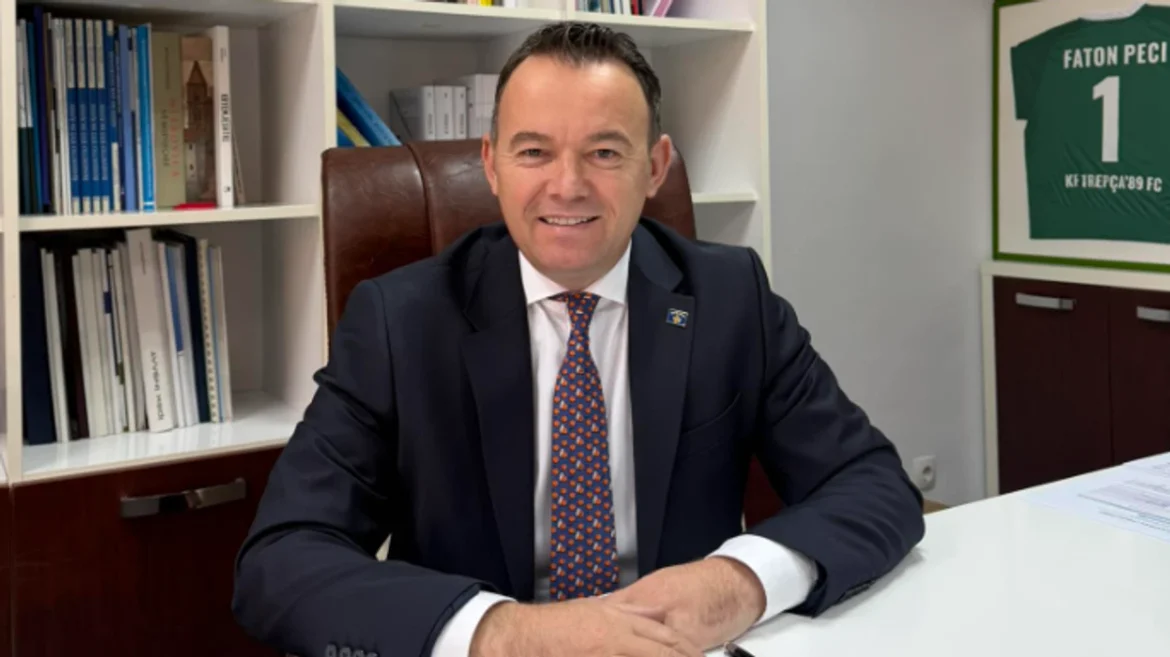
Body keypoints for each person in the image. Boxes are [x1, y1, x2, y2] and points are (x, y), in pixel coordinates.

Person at [231, 20, 925, 657]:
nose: (567, 186)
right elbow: (281, 559)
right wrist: (508, 634)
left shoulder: (730, 298)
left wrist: (740, 581)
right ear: (492, 163)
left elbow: (872, 484)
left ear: (654, 167)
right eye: (534, 151)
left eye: (604, 151)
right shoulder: (400, 321)